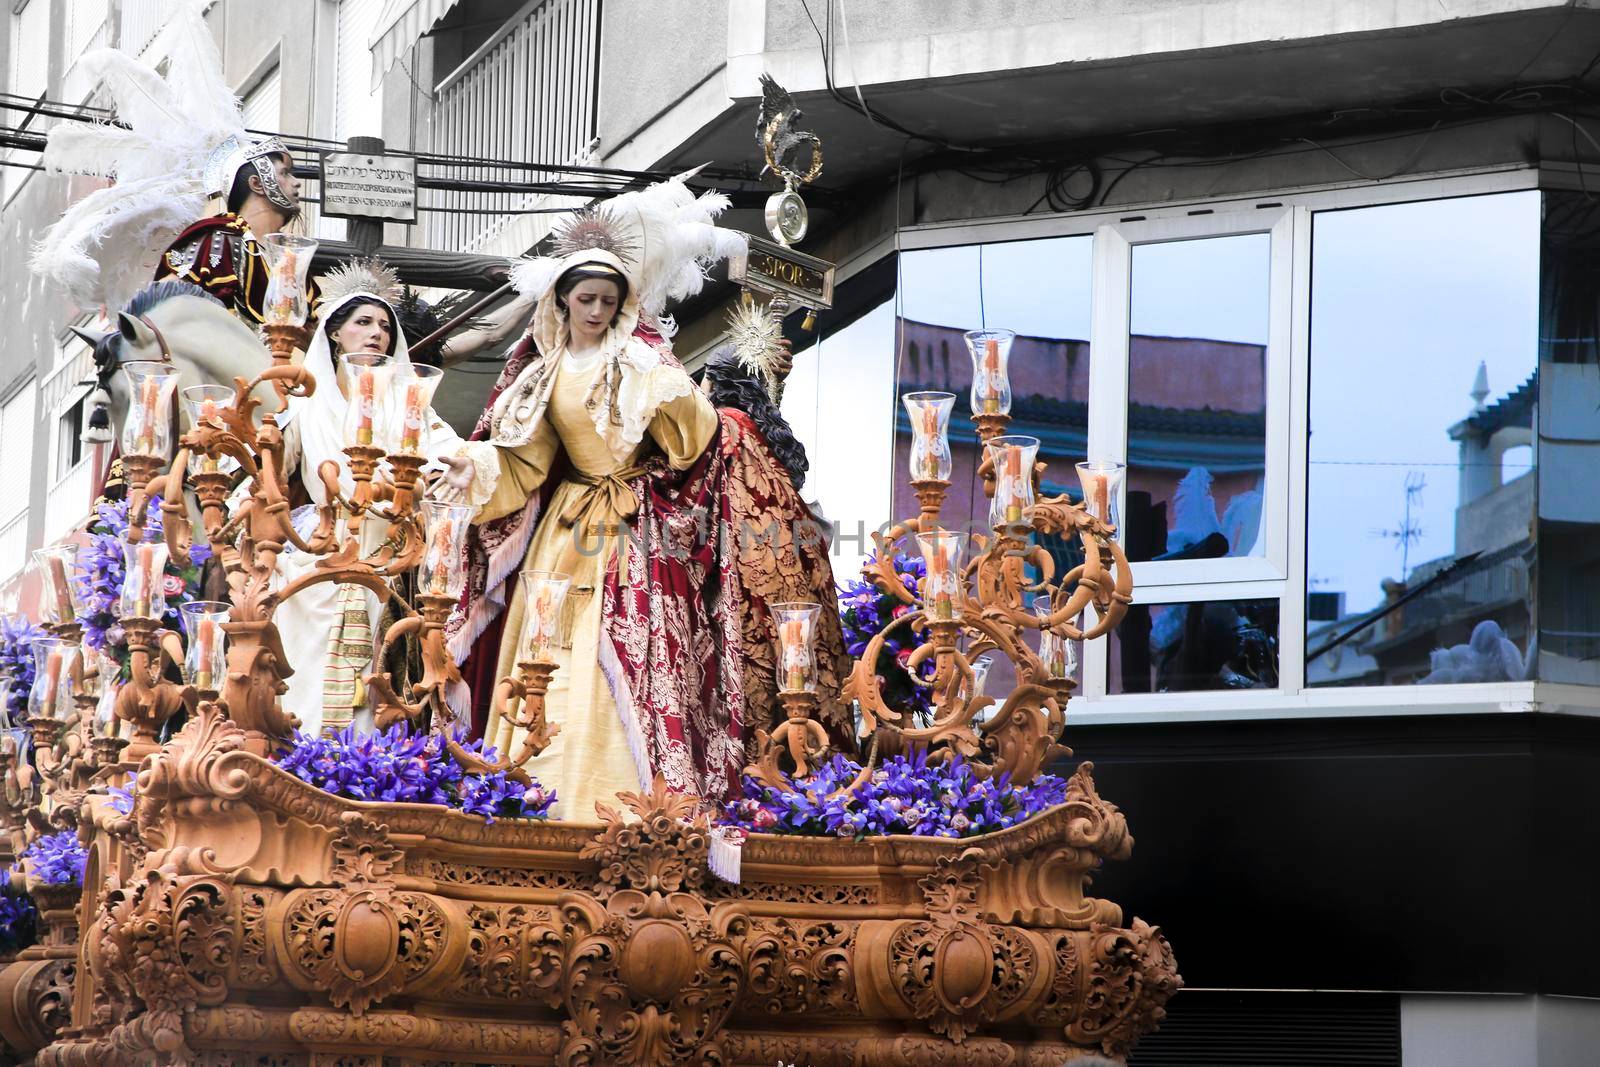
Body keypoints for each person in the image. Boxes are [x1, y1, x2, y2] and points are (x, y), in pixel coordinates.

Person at [436, 177, 848, 819]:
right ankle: (534, 795)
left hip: (633, 528)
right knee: (549, 655)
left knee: (634, 654)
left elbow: (691, 444)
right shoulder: (542, 376)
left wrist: (670, 388)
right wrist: (475, 465)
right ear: (563, 302)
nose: (597, 311)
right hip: (566, 531)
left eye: (607, 299)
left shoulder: (642, 364)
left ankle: (623, 801)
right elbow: (527, 459)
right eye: (586, 299)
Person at [274, 260, 467, 735]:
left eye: (385, 325)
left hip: (393, 552)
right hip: (322, 546)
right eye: (363, 322)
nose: (377, 332)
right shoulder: (305, 402)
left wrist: (456, 466)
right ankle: (306, 748)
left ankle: (372, 761)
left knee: (384, 664)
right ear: (335, 333)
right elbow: (268, 469)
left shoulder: (410, 402)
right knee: (302, 652)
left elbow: (451, 456)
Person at [153, 134, 305, 324]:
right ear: (257, 184)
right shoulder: (215, 239)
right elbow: (159, 305)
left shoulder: (289, 258)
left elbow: (318, 339)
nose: (296, 182)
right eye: (284, 173)